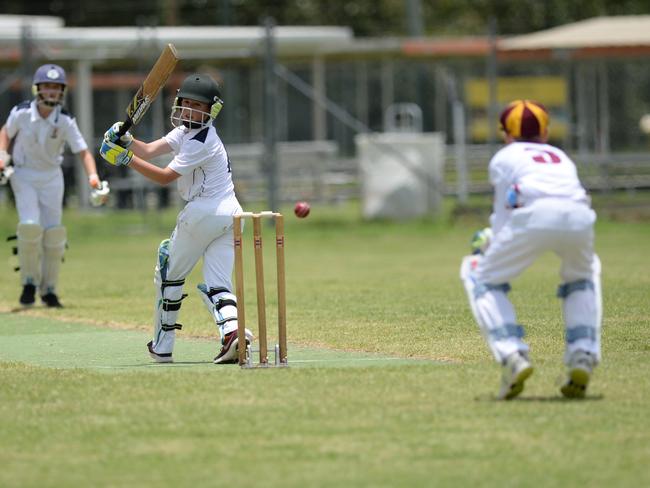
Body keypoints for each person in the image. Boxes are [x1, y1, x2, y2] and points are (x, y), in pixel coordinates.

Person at [100, 73, 252, 364]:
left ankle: (163, 345)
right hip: (231, 215)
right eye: (186, 104)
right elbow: (150, 150)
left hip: (204, 213)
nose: (190, 111)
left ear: (211, 111)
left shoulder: (201, 141)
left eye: (198, 106)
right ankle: (234, 333)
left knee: (169, 271)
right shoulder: (185, 132)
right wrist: (127, 140)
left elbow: (164, 177)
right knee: (218, 283)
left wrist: (124, 159)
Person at [460, 99, 602, 400]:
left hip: (533, 216)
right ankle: (583, 352)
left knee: (479, 276)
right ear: (545, 133)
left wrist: (489, 242)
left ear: (506, 134)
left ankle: (512, 354)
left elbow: (503, 213)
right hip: (580, 217)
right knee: (584, 276)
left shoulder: (504, 156)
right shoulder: (560, 155)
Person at [0, 63, 109, 308]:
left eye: (56, 88)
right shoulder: (22, 112)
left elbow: (83, 152)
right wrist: (1, 155)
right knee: (29, 227)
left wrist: (93, 178)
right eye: (47, 87)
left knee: (54, 233)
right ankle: (29, 282)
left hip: (51, 177)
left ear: (62, 92)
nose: (51, 92)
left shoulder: (66, 121)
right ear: (37, 89)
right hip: (23, 174)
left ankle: (49, 289)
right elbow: (5, 132)